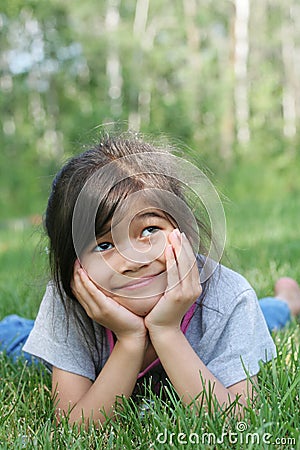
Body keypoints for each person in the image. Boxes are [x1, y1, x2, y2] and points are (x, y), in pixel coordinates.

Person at [0, 134, 296, 427]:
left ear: (186, 232)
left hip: (222, 321)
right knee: (15, 341)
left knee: (263, 317)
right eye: (104, 245)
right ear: (74, 264)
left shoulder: (229, 298)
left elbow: (238, 423)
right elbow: (78, 429)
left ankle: (286, 302)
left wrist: (166, 330)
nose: (133, 260)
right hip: (74, 349)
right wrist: (129, 341)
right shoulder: (71, 299)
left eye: (149, 230)